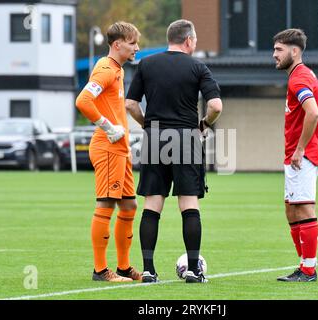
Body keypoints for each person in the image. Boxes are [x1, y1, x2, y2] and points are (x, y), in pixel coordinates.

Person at [125, 19, 222, 283]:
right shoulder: (198, 67)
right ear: (188, 40)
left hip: (155, 137)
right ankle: (193, 268)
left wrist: (148, 125)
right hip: (186, 137)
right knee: (188, 204)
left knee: (152, 204)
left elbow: (131, 104)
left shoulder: (146, 64)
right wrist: (203, 124)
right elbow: (215, 106)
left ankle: (147, 270)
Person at [75, 21, 142, 282]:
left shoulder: (117, 69)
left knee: (129, 205)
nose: (137, 48)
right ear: (118, 44)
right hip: (108, 147)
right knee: (107, 203)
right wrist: (107, 126)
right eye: (133, 43)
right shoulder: (106, 69)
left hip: (119, 149)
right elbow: (83, 100)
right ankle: (101, 270)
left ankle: (124, 267)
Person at [272, 29, 318, 282]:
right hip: (298, 154)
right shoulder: (304, 74)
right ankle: (304, 265)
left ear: (295, 51)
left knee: (303, 208)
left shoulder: (298, 78)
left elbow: (314, 112)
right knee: (291, 210)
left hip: (301, 155)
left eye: (279, 50)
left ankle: (309, 270)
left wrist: (302, 147)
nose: (274, 55)